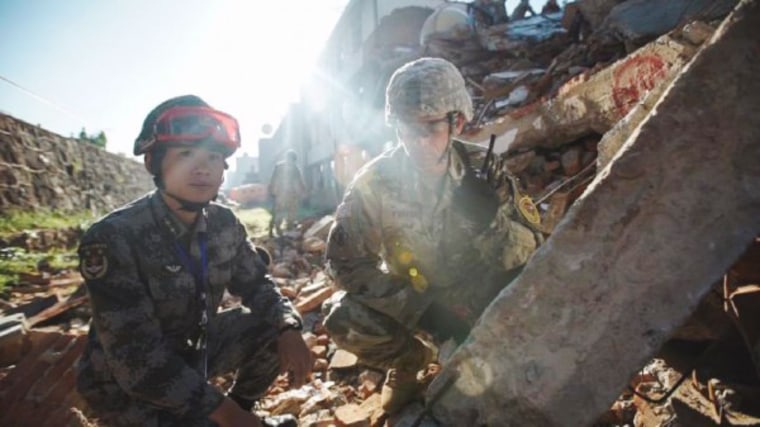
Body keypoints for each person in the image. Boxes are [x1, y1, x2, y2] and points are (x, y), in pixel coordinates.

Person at [322, 58, 542, 415]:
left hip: (485, 295)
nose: (419, 142)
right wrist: (424, 313)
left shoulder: (483, 170)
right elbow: (342, 263)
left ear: (456, 122)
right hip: (419, 300)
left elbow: (534, 252)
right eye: (408, 130)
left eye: (430, 127)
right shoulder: (374, 182)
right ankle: (410, 364)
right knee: (342, 316)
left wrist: (490, 225)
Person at [76, 95, 311, 427]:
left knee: (269, 327)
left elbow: (257, 284)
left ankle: (239, 408)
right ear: (153, 163)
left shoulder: (223, 224)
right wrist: (228, 417)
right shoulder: (113, 238)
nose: (202, 169)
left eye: (213, 157)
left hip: (191, 355)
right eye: (186, 154)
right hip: (125, 385)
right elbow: (137, 360)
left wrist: (288, 326)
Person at [267, 149, 306, 236]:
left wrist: (302, 191)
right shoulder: (283, 167)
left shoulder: (291, 167)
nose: (291, 161)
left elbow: (299, 181)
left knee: (288, 213)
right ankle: (275, 230)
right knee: (280, 213)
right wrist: (272, 192)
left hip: (287, 194)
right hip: (283, 194)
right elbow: (273, 180)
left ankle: (285, 230)